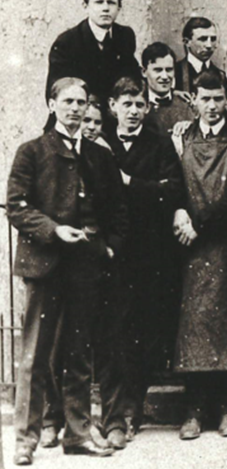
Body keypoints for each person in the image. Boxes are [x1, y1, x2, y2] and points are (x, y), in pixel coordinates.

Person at [8, 78, 127, 465]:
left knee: (78, 356)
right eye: (68, 101)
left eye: (81, 102)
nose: (76, 109)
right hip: (45, 265)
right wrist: (53, 230)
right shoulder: (32, 151)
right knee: (35, 356)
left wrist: (107, 246)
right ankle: (25, 440)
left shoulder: (99, 156)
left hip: (85, 267)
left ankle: (77, 435)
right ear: (52, 104)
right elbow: (16, 206)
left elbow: (117, 208)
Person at [171, 69, 227, 440]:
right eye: (205, 99)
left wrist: (201, 225)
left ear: (226, 99)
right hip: (191, 247)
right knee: (195, 325)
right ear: (194, 100)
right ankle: (194, 411)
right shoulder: (180, 137)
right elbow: (174, 182)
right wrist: (180, 211)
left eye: (218, 98)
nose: (212, 105)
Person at [101, 77, 184, 445]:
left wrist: (128, 182)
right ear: (112, 107)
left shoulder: (159, 143)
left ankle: (133, 405)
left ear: (147, 108)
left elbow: (172, 190)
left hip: (152, 253)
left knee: (149, 333)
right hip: (115, 252)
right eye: (126, 104)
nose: (133, 111)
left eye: (139, 105)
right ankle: (118, 411)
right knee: (117, 332)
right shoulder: (101, 143)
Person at [46, 0, 140, 109]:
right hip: (80, 113)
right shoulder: (67, 42)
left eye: (111, 3)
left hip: (114, 114)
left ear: (119, 8)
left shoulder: (124, 36)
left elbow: (132, 77)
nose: (105, 8)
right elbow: (56, 91)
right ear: (85, 6)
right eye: (99, 2)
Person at [174, 17, 227, 115]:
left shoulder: (224, 77)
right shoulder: (172, 74)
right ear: (187, 42)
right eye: (203, 39)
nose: (209, 45)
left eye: (213, 39)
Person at [141, 42, 195, 136]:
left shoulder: (185, 106)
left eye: (169, 70)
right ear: (144, 72)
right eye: (158, 70)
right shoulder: (137, 105)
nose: (165, 76)